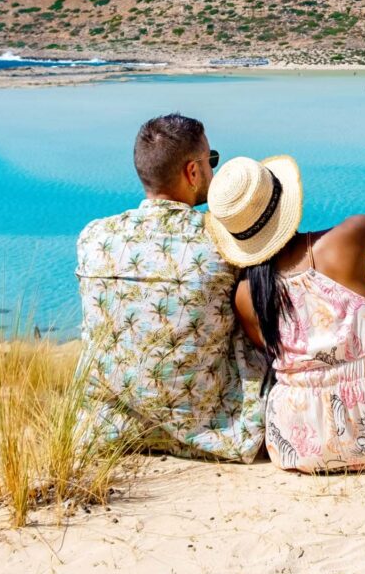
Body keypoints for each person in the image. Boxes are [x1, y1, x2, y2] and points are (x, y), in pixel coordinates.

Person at [206, 151, 365, 472]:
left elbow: (269, 352)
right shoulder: (343, 241)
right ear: (284, 202)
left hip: (296, 443)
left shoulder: (245, 294)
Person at [75, 113, 266, 462]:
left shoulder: (94, 237)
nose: (213, 171)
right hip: (212, 430)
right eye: (211, 161)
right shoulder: (221, 240)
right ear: (192, 172)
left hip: (109, 429)